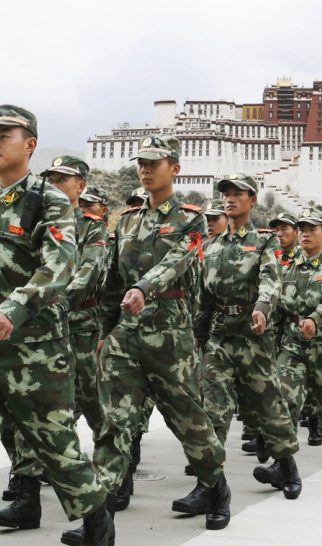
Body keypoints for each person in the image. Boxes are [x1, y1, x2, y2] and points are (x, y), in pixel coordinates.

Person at [0, 105, 113, 546]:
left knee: (55, 445)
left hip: (35, 345)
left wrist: (13, 308)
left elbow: (60, 264)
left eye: (4, 136)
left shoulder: (48, 200)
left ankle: (98, 521)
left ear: (30, 144)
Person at [95, 134, 230, 531]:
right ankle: (98, 516)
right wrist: (106, 330)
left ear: (175, 168)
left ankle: (215, 487)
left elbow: (178, 260)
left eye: (154, 163)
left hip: (170, 333)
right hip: (126, 334)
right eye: (141, 163)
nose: (145, 169)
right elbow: (113, 280)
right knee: (114, 421)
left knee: (187, 419)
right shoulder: (128, 220)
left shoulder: (191, 219)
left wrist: (143, 288)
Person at [196, 174, 302, 500]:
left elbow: (272, 279)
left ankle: (286, 466)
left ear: (252, 200)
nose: (230, 198)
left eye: (238, 193)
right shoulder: (211, 245)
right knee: (213, 410)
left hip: (252, 336)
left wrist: (262, 308)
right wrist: (198, 335)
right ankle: (209, 485)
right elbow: (203, 296)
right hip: (219, 337)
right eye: (226, 194)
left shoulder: (265, 242)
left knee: (267, 405)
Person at [272, 208, 322, 477]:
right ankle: (283, 461)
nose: (305, 234)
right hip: (292, 345)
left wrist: (316, 319)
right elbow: (277, 306)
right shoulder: (286, 268)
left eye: (312, 229)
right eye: (302, 229)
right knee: (284, 398)